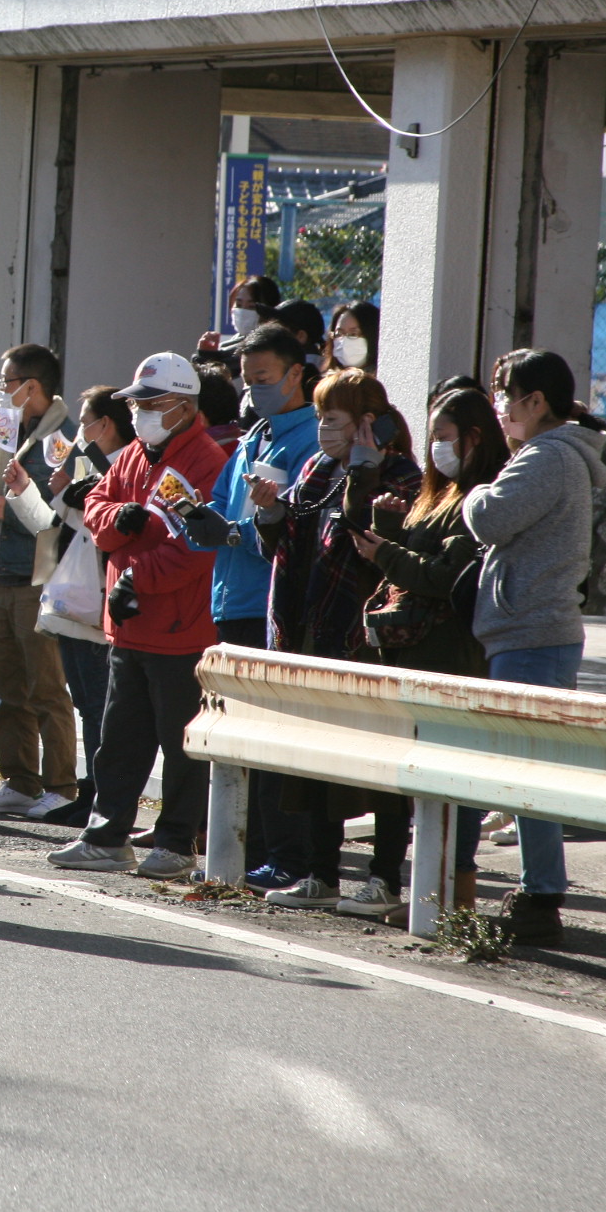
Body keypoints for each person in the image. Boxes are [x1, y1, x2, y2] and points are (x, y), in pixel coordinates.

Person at [454, 348, 606, 945]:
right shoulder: (552, 455)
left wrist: (471, 489)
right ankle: (536, 890)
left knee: (528, 772)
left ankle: (542, 894)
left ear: (535, 402)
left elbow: (490, 518)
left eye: (504, 395)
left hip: (532, 635)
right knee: (524, 769)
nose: (498, 407)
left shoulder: (548, 457)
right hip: (531, 634)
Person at [50, 354, 229, 877]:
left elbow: (199, 545)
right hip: (129, 625)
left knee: (181, 748)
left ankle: (175, 843)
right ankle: (107, 837)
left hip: (180, 630)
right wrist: (118, 521)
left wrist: (135, 577)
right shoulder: (132, 455)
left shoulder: (207, 462)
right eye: (136, 403)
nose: (139, 413)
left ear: (183, 405)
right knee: (119, 742)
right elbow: (96, 508)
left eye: (150, 404)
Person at [252, 369, 421, 916]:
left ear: (371, 424)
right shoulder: (318, 469)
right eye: (322, 417)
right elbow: (285, 541)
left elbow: (367, 538)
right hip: (310, 632)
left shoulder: (401, 477)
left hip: (363, 638)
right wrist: (271, 510)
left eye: (333, 419)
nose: (323, 429)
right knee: (319, 764)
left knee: (379, 765)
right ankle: (321, 874)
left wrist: (366, 476)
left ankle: (384, 879)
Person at [352, 384, 505, 906]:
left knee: (453, 789)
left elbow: (445, 576)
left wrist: (387, 552)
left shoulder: (480, 498)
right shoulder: (434, 493)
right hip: (411, 655)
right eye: (433, 437)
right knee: (422, 785)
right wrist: (389, 530)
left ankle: (451, 898)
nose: (436, 448)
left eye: (444, 437)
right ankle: (427, 897)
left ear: (473, 438)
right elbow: (411, 558)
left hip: (450, 657)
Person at [181, 321, 320, 891]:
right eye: (247, 378)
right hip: (230, 598)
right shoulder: (251, 438)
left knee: (271, 737)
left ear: (295, 374)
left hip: (272, 604)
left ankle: (285, 855)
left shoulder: (309, 437)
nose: (254, 388)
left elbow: (295, 527)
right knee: (240, 734)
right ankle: (252, 850)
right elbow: (214, 510)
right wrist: (198, 522)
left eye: (264, 378)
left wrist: (238, 531)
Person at [0, 344, 77, 819]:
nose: (0, 391)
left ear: (32, 386)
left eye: (7, 382)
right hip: (5, 570)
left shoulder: (61, 438)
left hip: (41, 574)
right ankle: (20, 781)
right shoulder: (12, 432)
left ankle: (61, 786)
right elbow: (2, 501)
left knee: (46, 686)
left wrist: (7, 508)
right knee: (8, 683)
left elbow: (63, 513)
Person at [36, 385, 133, 828]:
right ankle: (88, 791)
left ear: (105, 425)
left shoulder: (124, 469)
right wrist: (64, 493)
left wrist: (74, 496)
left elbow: (104, 528)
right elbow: (65, 523)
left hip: (100, 603)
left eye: (86, 421)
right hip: (77, 601)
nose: (80, 431)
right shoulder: (89, 468)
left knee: (99, 704)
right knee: (86, 702)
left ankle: (100, 797)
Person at [327, 302, 378, 375]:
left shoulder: (383, 381)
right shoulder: (328, 383)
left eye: (353, 334)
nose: (344, 341)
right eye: (339, 334)